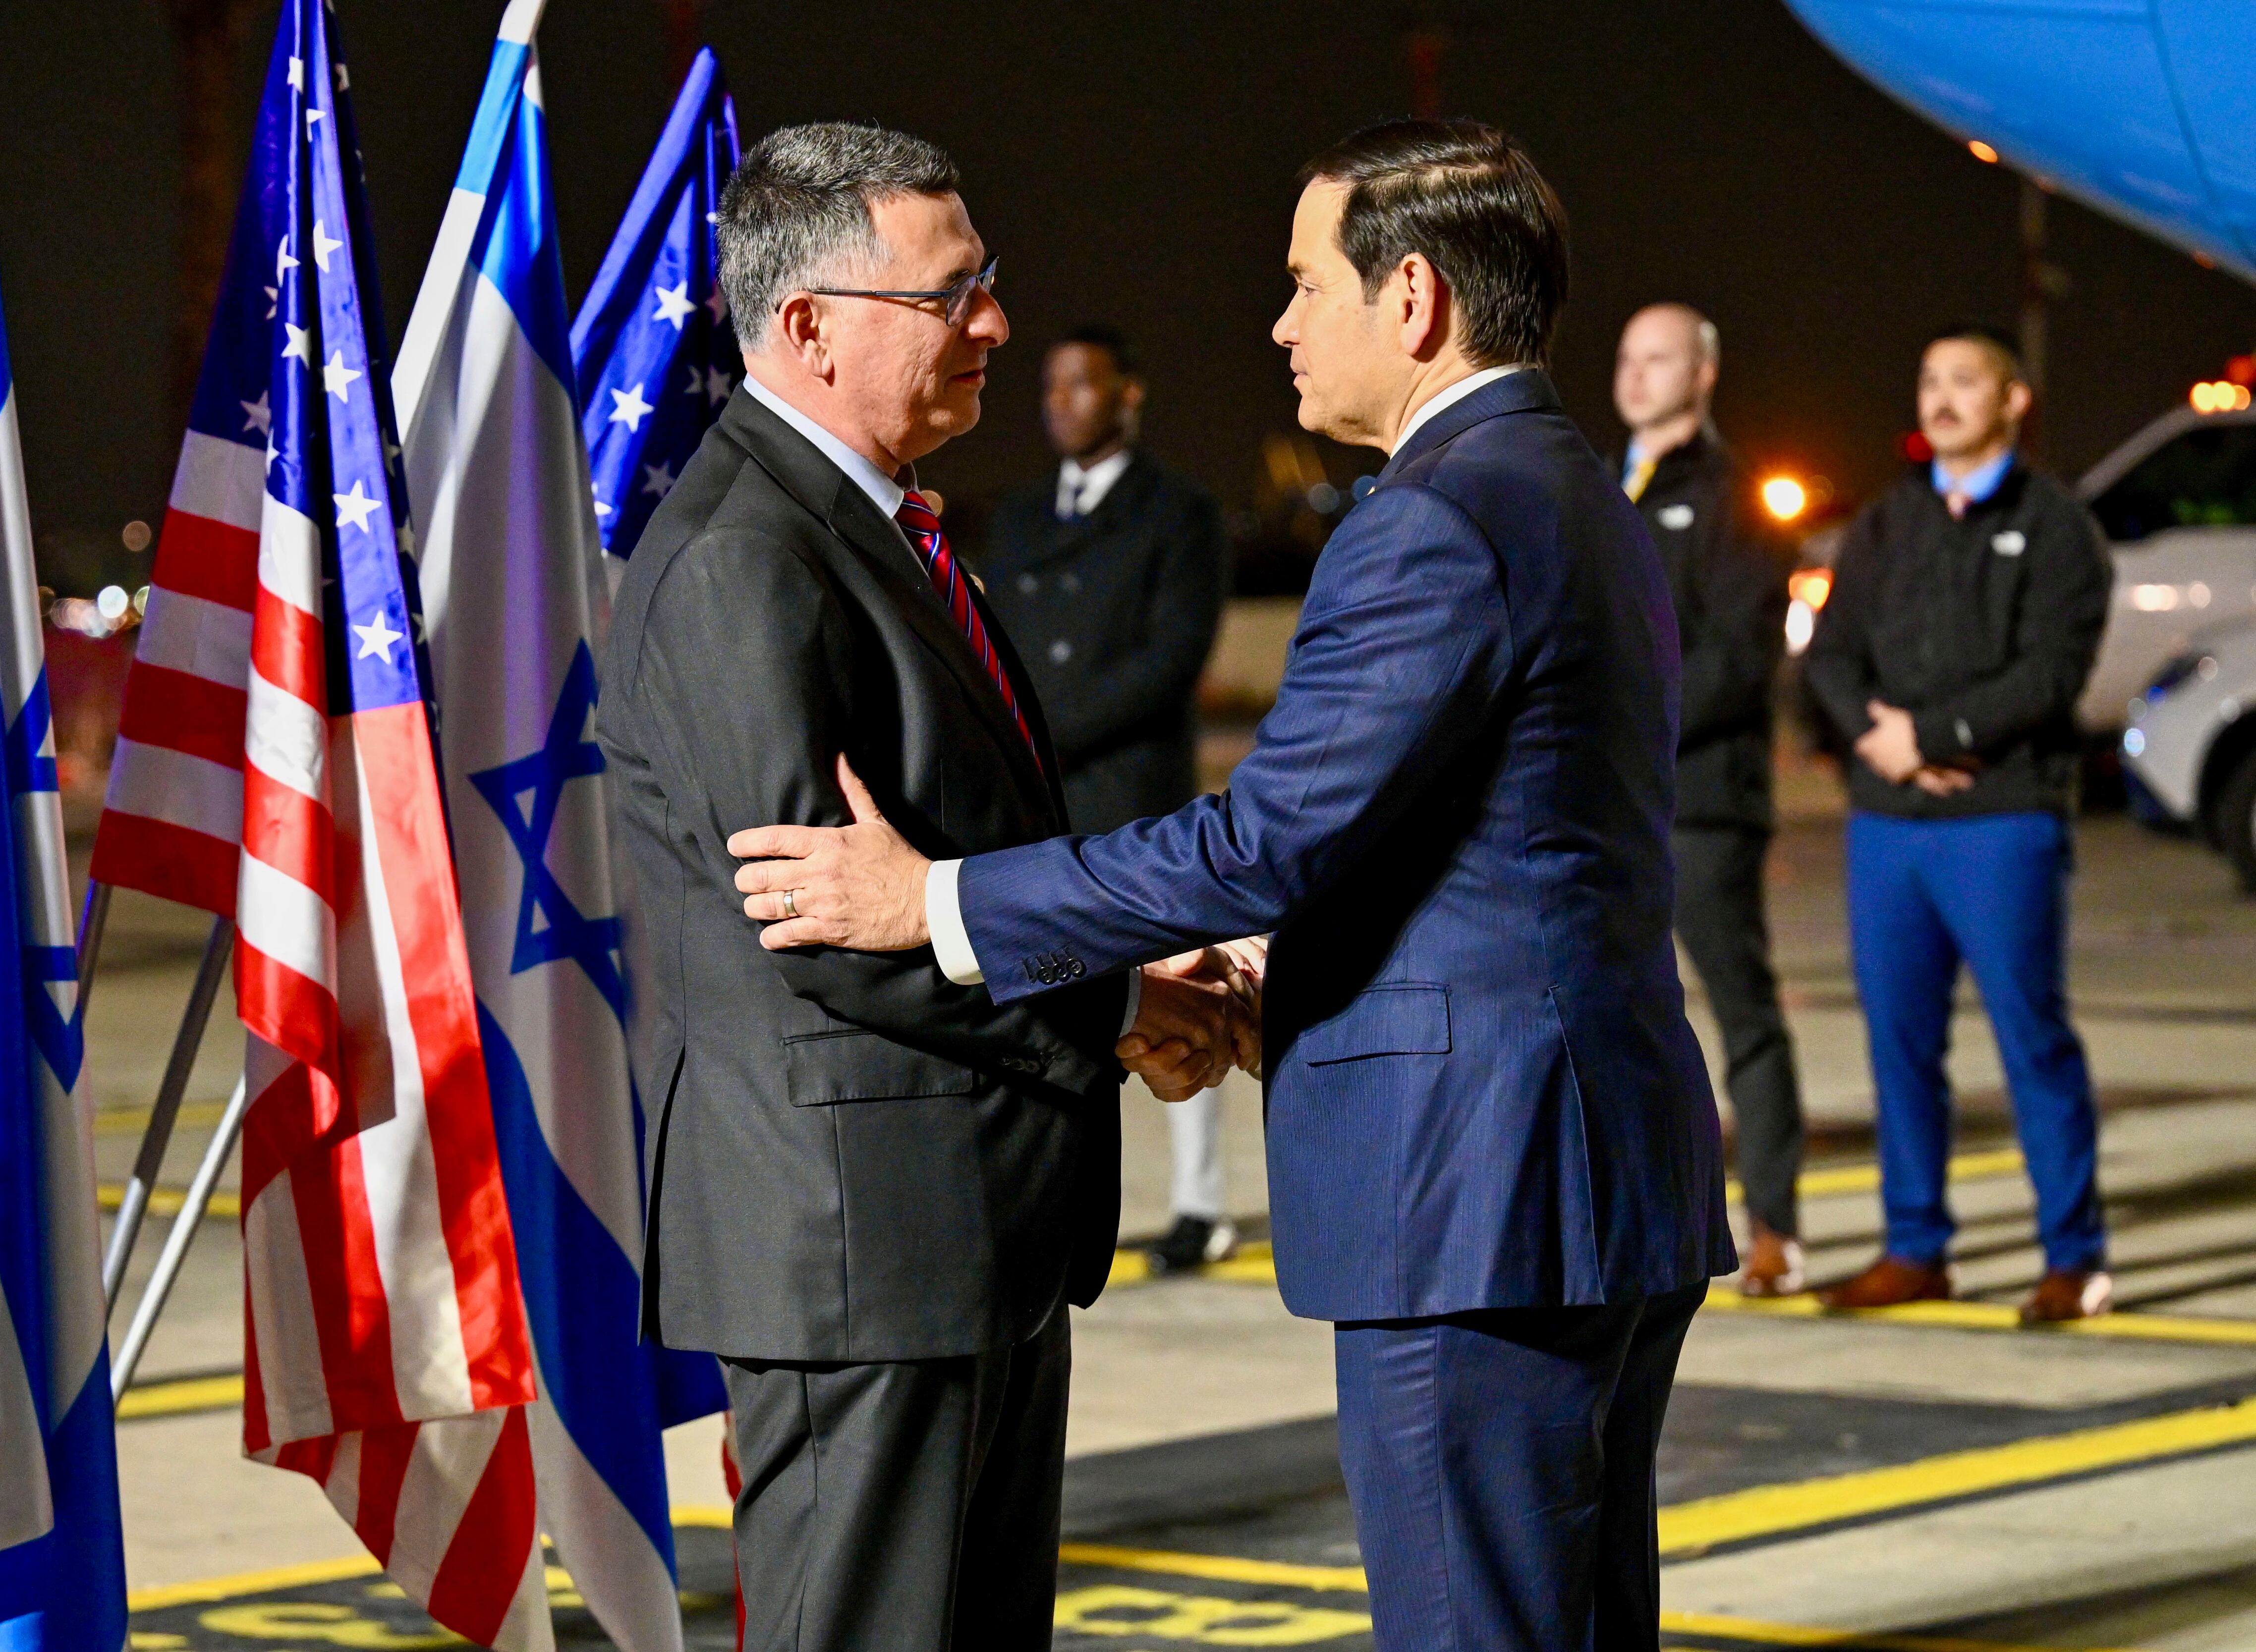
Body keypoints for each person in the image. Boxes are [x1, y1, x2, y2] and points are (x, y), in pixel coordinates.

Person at [728, 119, 1734, 1650]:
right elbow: (1500, 847)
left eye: (1305, 283)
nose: (1279, 325)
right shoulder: (1572, 489)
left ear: (1412, 299)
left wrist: (935, 902)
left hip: (1477, 1199)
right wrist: (1294, 994)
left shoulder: (1433, 517)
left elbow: (1260, 842)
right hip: (1587, 1168)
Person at [594, 124, 1245, 1652]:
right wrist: (1117, 1005)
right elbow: (829, 933)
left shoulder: (872, 530)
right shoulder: (751, 559)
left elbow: (945, 866)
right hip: (865, 1249)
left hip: (960, 1235)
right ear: (808, 324)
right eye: (951, 294)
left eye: (987, 280)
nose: (996, 322)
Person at [1803, 325, 2114, 1322]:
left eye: (1964, 380)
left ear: (2012, 400)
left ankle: (2074, 1256)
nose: (1940, 397)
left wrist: (1932, 734)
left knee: (2031, 1037)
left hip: (2003, 818)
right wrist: (1881, 743)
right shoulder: (1886, 522)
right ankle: (1914, 1247)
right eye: (1929, 379)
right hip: (1888, 824)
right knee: (1899, 1045)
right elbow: (1829, 653)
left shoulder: (2057, 527)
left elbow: (2051, 673)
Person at [982, 323, 1234, 1272]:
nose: (1061, 401)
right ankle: (1056, 1200)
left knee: (1179, 989)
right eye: (1051, 385)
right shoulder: (1016, 517)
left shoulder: (1182, 512)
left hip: (1135, 796)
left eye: (1082, 383)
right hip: (1042, 805)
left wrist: (1045, 733)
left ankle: (1200, 1203)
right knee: (1056, 1006)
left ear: (1129, 393)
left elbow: (1170, 660)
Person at [1614, 302, 1807, 1297]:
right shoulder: (1597, 484)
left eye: (1659, 359)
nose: (1636, 375)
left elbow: (1737, 660)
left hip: (1699, 800)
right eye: (1627, 357)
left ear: (1702, 374)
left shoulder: (1734, 498)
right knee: (1613, 1013)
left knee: (1741, 1011)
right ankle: (1632, 1220)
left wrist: (1623, 729)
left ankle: (1774, 1223)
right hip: (1604, 804)